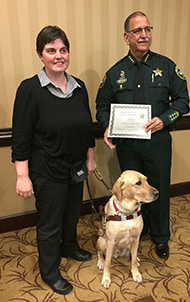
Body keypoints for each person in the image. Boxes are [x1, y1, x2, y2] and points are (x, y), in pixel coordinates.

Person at [96, 11, 190, 260]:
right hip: (128, 146)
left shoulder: (167, 66)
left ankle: (160, 237)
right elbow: (101, 105)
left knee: (157, 191)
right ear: (126, 37)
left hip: (157, 144)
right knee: (131, 194)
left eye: (147, 29)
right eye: (137, 31)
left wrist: (165, 119)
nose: (144, 34)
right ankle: (139, 231)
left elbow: (183, 101)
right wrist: (107, 126)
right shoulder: (115, 73)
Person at [12, 25, 96, 295]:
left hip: (76, 168)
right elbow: (21, 138)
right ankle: (50, 271)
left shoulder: (79, 87)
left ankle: (69, 246)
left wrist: (90, 157)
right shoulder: (30, 90)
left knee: (72, 214)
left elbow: (86, 127)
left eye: (63, 49)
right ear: (40, 55)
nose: (58, 55)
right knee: (50, 224)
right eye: (51, 50)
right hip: (47, 171)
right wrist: (22, 176)